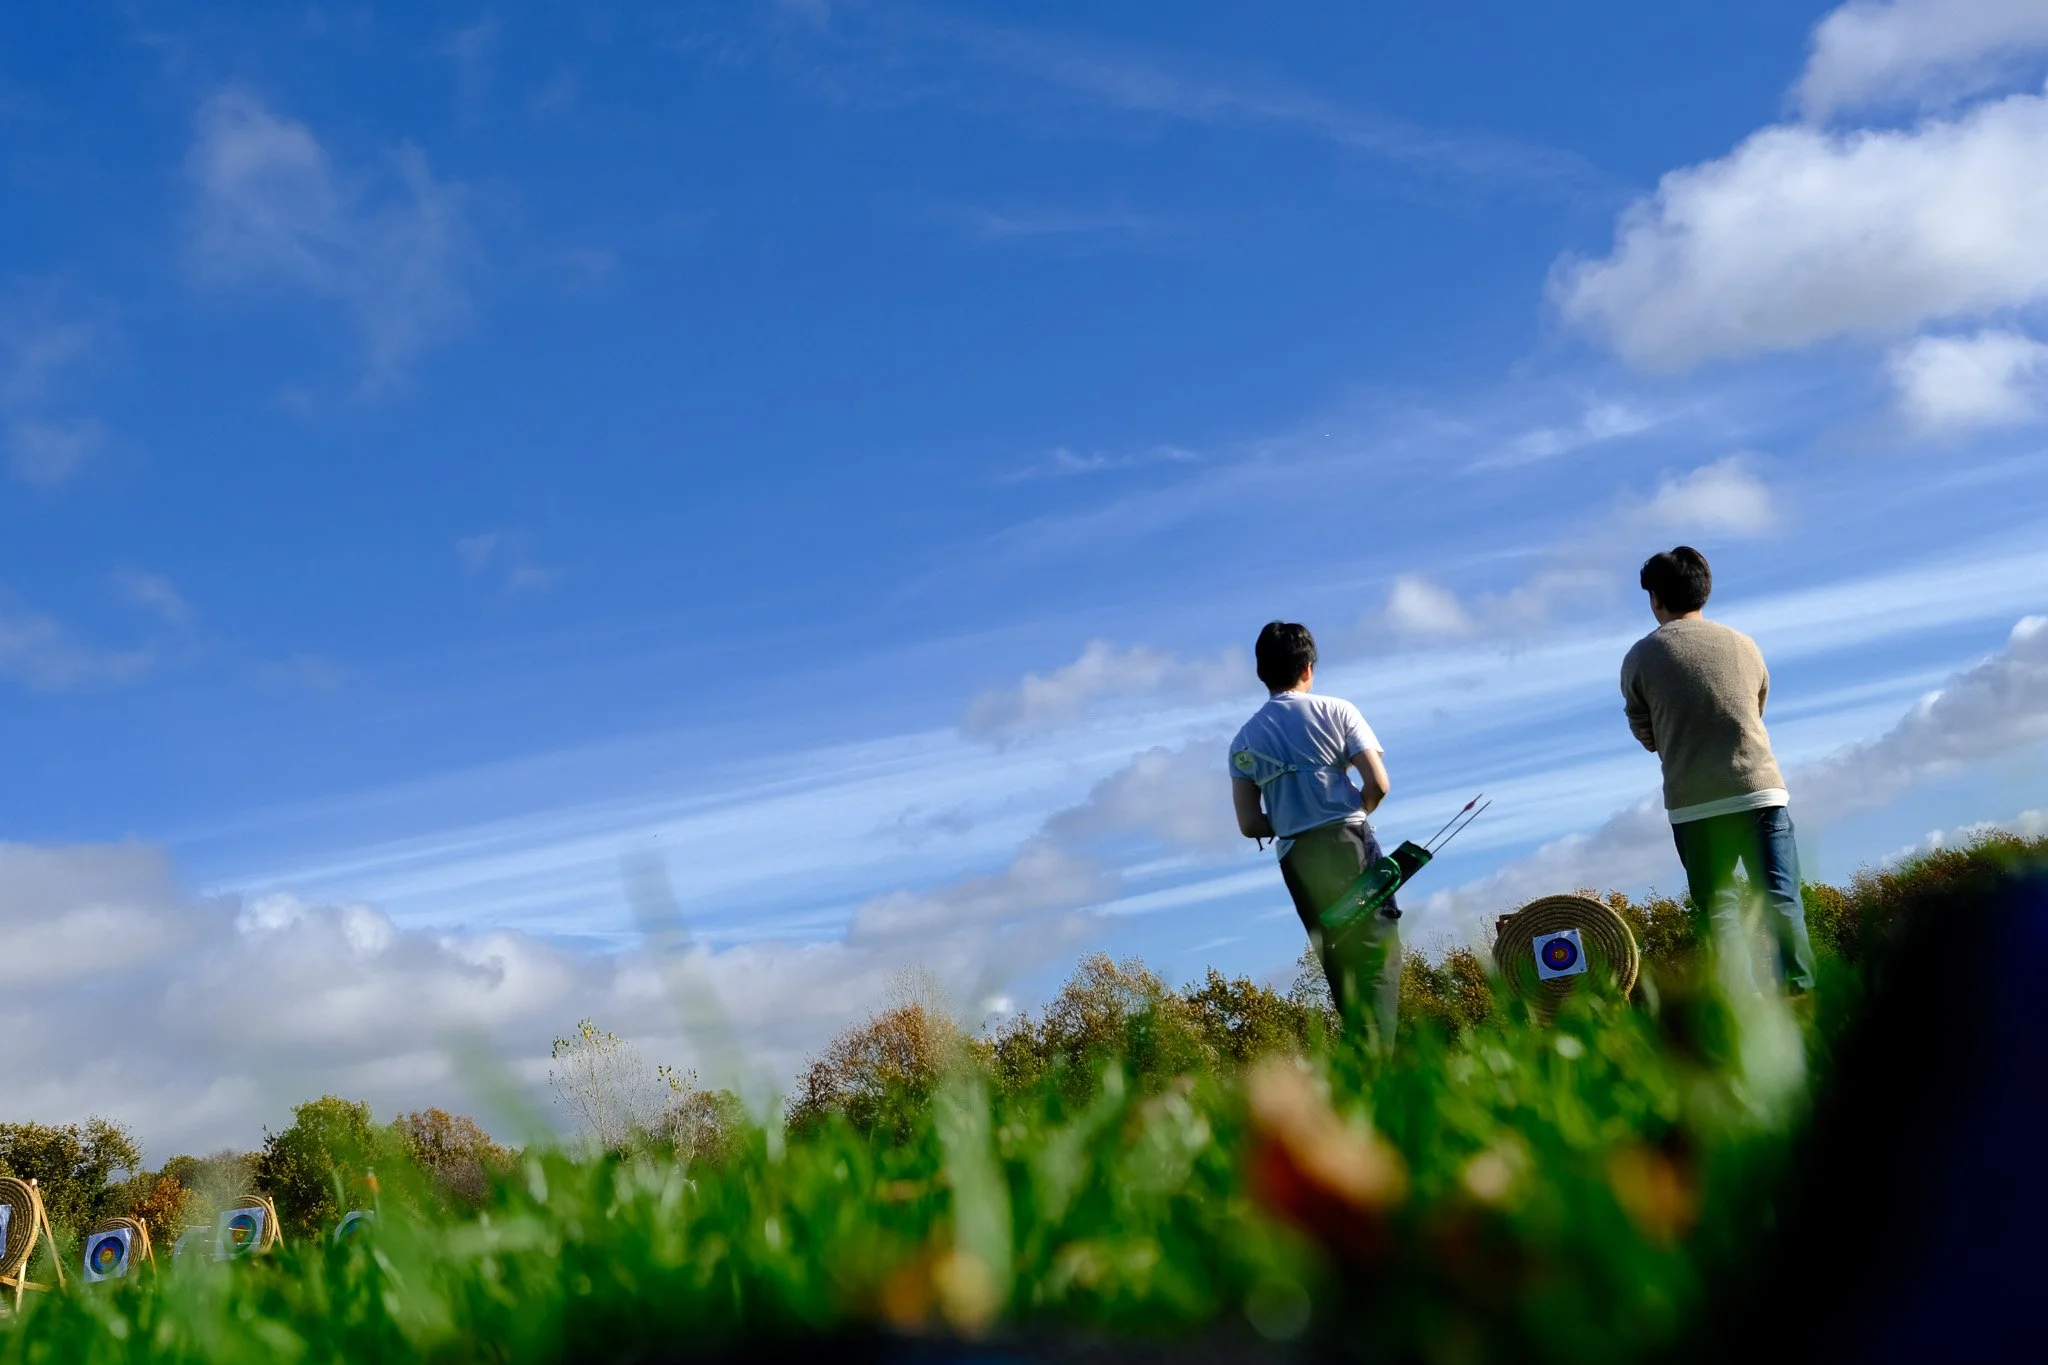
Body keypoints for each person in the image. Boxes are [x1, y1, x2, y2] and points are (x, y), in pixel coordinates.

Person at [1622, 547, 1816, 992]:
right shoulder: (1743, 644)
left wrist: (1674, 741)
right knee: (1782, 900)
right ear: (1703, 592)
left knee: (1719, 911)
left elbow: (1642, 727)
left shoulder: (1640, 657)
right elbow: (1756, 708)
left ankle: (1739, 1006)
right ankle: (1801, 992)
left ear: (1656, 599)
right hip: (1759, 791)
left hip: (1693, 803)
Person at [1228, 621, 1400, 1046]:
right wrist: (1357, 808)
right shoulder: (1338, 710)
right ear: (1308, 667)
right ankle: (1380, 1070)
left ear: (1261, 673)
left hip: (1297, 859)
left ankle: (1359, 1063)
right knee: (1376, 959)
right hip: (1351, 845)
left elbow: (1249, 824)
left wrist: (1288, 819)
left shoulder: (1243, 740)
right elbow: (1378, 784)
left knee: (1339, 965)